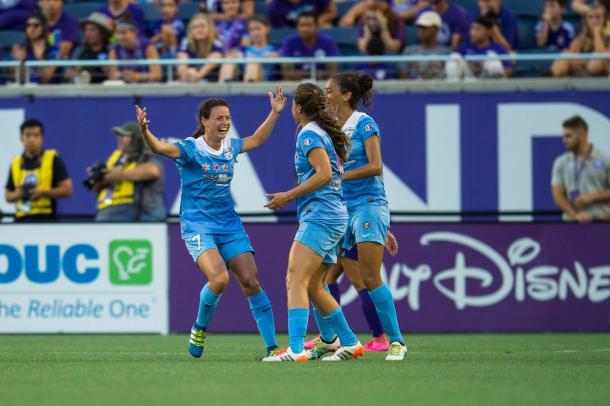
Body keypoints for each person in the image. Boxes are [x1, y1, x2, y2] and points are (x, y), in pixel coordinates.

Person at [134, 87, 287, 359]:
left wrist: (274, 113)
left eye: (227, 117)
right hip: (198, 227)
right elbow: (158, 147)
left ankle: (272, 348)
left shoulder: (231, 146)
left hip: (229, 225)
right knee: (219, 279)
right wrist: (145, 131)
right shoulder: (190, 149)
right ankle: (199, 328)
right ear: (204, 121)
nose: (225, 122)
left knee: (251, 281)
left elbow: (257, 139)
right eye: (219, 118)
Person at [302, 72, 407, 362]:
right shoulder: (330, 128)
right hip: (340, 210)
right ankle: (332, 340)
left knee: (370, 276)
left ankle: (396, 342)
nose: (325, 95)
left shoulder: (364, 124)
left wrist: (340, 175)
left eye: (329, 90)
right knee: (315, 277)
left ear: (346, 95)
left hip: (368, 204)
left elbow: (375, 166)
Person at [262, 82, 363, 362]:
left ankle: (295, 349)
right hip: (333, 216)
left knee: (295, 278)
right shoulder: (323, 133)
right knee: (314, 287)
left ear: (297, 108)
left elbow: (324, 174)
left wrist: (288, 195)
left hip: (321, 216)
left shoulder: (308, 134)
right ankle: (351, 343)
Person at [304, 230, 399, 352]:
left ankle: (379, 337)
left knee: (361, 284)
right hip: (347, 230)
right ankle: (329, 335)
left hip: (349, 232)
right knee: (328, 279)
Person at [92, 122, 166, 222]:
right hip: (108, 210)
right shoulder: (116, 158)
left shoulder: (146, 157)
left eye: (124, 136)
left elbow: (153, 171)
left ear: (136, 139)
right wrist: (98, 177)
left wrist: (116, 174)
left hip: (143, 213)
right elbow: (96, 188)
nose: (119, 139)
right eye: (118, 135)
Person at [5, 118, 73, 223]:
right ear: (21, 139)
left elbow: (67, 190)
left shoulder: (53, 159)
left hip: (46, 219)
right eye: (28, 135)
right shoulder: (15, 163)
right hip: (21, 220)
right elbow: (8, 195)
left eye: (36, 135)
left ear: (42, 139)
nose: (31, 139)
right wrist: (18, 194)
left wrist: (42, 193)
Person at [551, 116, 610, 223]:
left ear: (581, 134)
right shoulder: (561, 162)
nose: (564, 141)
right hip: (572, 224)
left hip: (601, 222)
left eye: (568, 136)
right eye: (563, 136)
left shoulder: (605, 160)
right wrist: (575, 215)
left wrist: (591, 197)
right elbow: (557, 194)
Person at [551, 3, 610, 77]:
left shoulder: (608, 37)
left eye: (597, 17)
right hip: (583, 71)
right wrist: (586, 62)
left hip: (602, 76)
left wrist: (596, 34)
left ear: (604, 20)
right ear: (586, 20)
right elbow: (571, 55)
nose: (594, 20)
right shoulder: (581, 37)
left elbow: (605, 59)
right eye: (590, 17)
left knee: (597, 59)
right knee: (565, 55)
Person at [280, 11, 339, 81]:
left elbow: (332, 72)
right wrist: (317, 74)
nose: (305, 29)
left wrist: (303, 74)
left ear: (317, 27)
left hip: (322, 83)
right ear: (297, 27)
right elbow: (287, 73)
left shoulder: (329, 42)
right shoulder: (289, 42)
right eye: (302, 25)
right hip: (296, 83)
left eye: (309, 25)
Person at [108, 17, 162, 83]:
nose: (120, 37)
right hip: (124, 89)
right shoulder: (114, 50)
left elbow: (157, 75)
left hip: (147, 88)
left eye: (124, 33)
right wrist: (121, 75)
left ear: (135, 32)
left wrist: (136, 76)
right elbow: (112, 76)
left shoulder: (148, 46)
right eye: (118, 33)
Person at [401, 11, 451, 80]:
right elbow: (402, 78)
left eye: (425, 28)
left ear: (435, 29)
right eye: (419, 27)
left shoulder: (446, 53)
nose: (421, 31)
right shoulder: (409, 51)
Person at [11, 13, 60, 84]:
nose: (31, 29)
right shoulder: (21, 49)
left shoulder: (53, 50)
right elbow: (19, 81)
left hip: (46, 92)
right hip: (25, 91)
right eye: (28, 25)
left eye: (36, 25)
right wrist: (21, 62)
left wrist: (40, 58)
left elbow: (46, 79)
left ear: (44, 27)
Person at [177, 13, 224, 83]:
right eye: (195, 27)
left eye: (202, 26)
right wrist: (186, 76)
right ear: (191, 30)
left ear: (210, 28)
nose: (199, 29)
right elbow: (182, 66)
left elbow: (216, 57)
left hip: (213, 81)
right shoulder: (186, 42)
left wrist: (198, 76)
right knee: (191, 71)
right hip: (190, 80)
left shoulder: (217, 41)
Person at [68, 12, 113, 84]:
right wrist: (73, 74)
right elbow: (70, 73)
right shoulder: (80, 52)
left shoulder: (110, 51)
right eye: (86, 30)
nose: (87, 34)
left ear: (102, 33)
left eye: (92, 30)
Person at [241, 16, 279, 82]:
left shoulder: (276, 50)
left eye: (258, 28)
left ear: (268, 29)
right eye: (251, 30)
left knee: (253, 62)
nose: (255, 33)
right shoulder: (242, 50)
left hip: (268, 86)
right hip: (245, 83)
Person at [268, 0, 337, 28]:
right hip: (291, 31)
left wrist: (317, 22)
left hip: (316, 26)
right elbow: (281, 31)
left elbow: (331, 12)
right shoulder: (275, 6)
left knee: (327, 26)